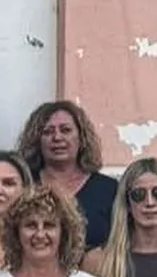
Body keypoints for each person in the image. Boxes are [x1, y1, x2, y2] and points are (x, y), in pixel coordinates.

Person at [17, 99, 119, 250]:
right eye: (48, 132)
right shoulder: (24, 185)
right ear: (37, 140)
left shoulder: (109, 190)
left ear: (81, 137)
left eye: (65, 130)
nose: (57, 138)